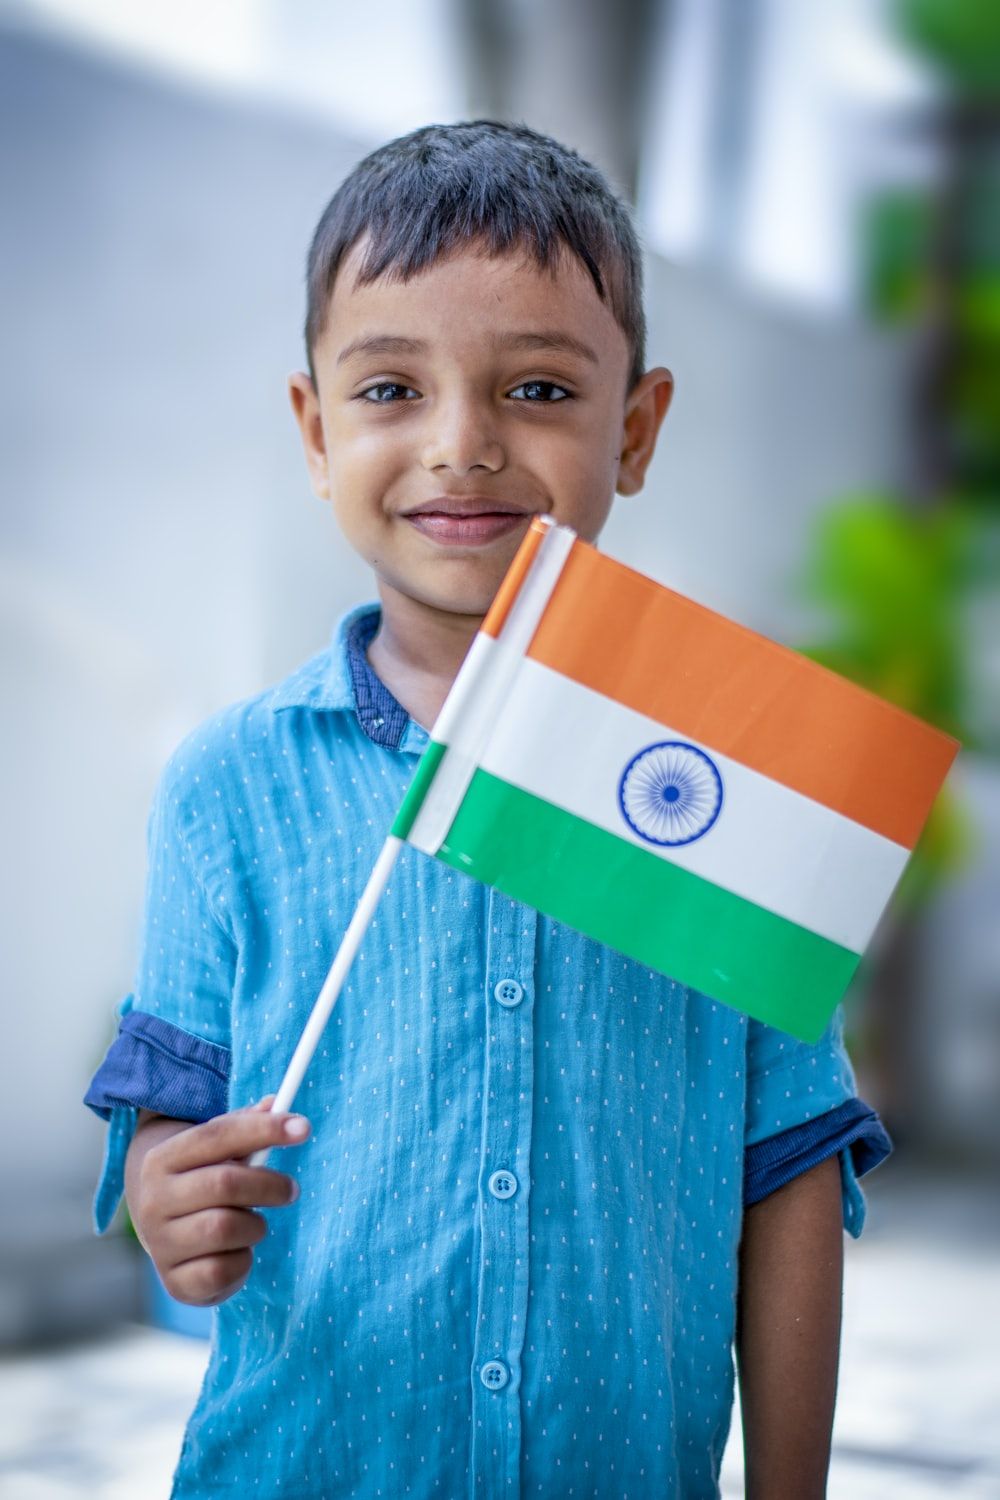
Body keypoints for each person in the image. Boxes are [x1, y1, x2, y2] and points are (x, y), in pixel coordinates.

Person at [84, 119, 892, 1499]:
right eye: (391, 387)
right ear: (315, 426)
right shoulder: (227, 785)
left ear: (633, 430)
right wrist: (168, 1202)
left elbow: (793, 1170)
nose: (463, 447)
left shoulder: (736, 792)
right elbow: (172, 1114)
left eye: (535, 388)